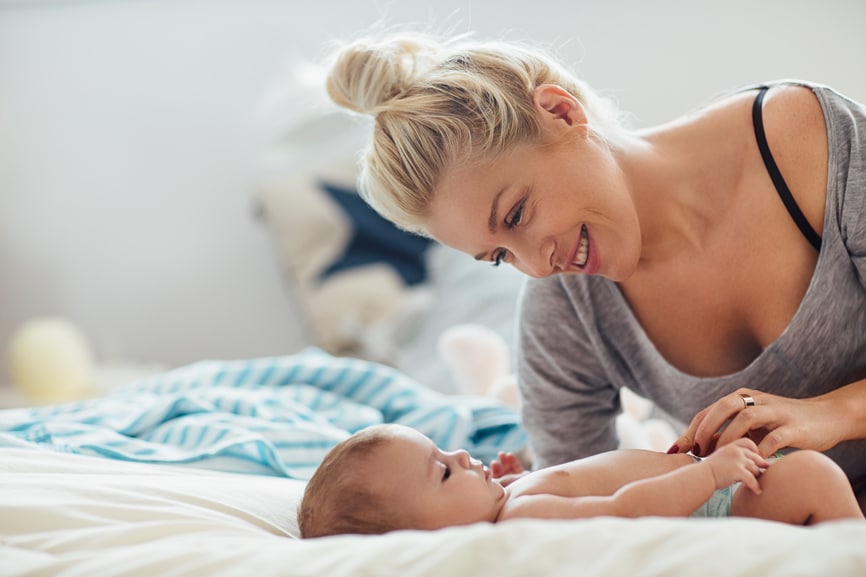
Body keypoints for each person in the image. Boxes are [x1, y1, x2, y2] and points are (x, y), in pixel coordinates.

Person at [324, 32, 866, 510]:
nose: (538, 267)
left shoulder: (803, 139)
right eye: (500, 256)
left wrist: (833, 414)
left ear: (561, 112)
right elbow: (584, 519)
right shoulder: (564, 313)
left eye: (517, 215)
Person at [298, 423, 863, 538]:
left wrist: (517, 478)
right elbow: (624, 510)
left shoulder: (510, 502)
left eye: (443, 446)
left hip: (705, 485)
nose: (463, 453)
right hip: (707, 506)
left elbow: (574, 485)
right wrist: (710, 474)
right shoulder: (522, 519)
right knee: (808, 474)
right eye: (444, 470)